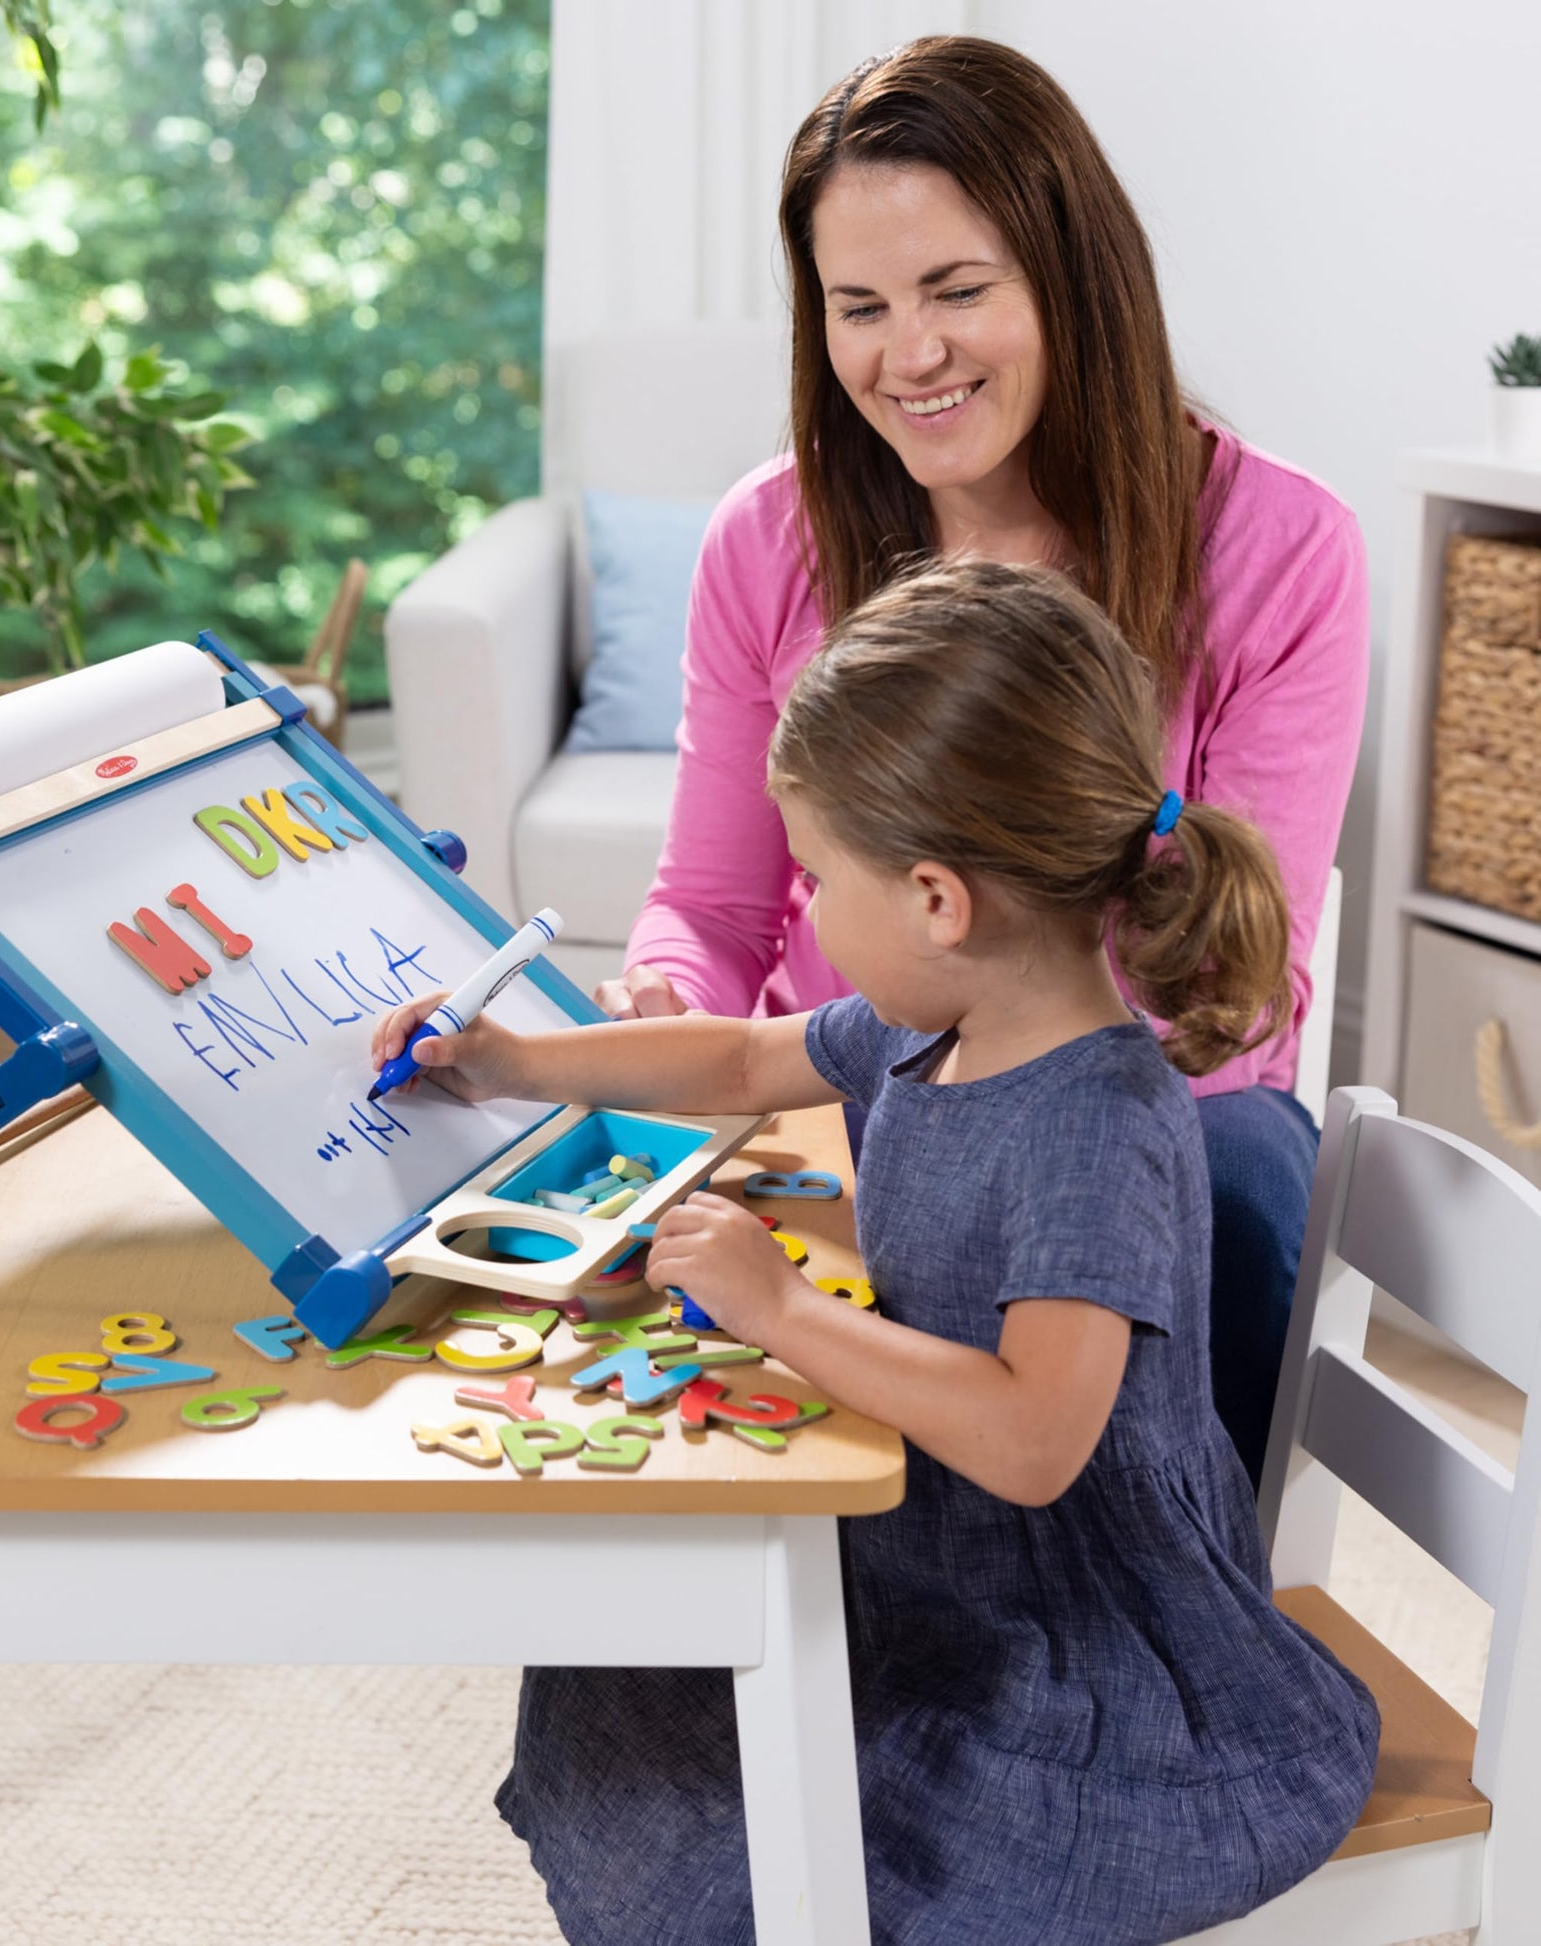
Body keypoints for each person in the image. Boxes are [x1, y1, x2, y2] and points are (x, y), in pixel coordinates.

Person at [371, 561, 1378, 1944]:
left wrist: (781, 1305)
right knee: (631, 1657)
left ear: (936, 899)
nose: (808, 907)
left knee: (773, 1833)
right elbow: (739, 1058)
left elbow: (1035, 1440)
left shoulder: (1094, 1125)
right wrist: (516, 1059)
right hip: (936, 1549)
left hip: (1087, 1653)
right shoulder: (938, 1021)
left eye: (816, 876)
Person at [599, 37, 1367, 1486]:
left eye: (957, 291)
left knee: (1243, 1186)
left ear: (1073, 280)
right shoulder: (767, 536)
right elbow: (706, 904)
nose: (910, 356)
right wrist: (667, 1001)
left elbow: (1234, 987)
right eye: (860, 307)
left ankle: (1161, 1582)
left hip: (1135, 1115)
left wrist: (961, 1122)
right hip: (830, 1101)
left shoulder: (1280, 546)